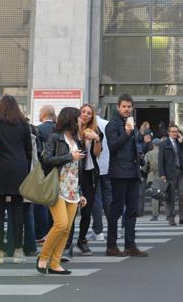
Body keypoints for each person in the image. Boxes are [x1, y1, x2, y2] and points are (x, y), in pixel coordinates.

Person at [36, 107, 86, 275]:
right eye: (79, 118)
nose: (81, 121)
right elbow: (46, 160)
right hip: (57, 186)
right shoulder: (55, 137)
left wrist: (81, 192)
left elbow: (77, 169)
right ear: (71, 119)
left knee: (67, 228)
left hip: (72, 189)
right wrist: (70, 156)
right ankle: (43, 258)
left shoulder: (76, 140)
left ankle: (55, 263)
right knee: (61, 223)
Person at [0, 95, 32, 264]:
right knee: (17, 210)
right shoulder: (23, 125)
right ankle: (17, 250)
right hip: (19, 169)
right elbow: (28, 150)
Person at [105, 94, 149, 257]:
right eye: (124, 106)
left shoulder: (132, 124)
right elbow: (112, 147)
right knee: (116, 209)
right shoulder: (113, 125)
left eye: (129, 106)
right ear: (118, 107)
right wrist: (126, 133)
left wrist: (142, 149)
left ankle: (130, 245)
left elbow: (135, 146)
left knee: (132, 210)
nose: (126, 109)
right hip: (118, 173)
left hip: (133, 172)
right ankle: (111, 245)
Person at [64, 104, 102, 257]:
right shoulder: (71, 132)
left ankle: (82, 240)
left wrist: (96, 139)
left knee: (87, 211)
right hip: (72, 174)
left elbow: (97, 154)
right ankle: (67, 242)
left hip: (89, 174)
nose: (86, 115)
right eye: (83, 112)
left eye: (89, 113)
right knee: (71, 210)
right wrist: (78, 132)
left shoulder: (95, 132)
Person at [158, 124, 183, 226]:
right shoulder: (164, 144)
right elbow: (161, 160)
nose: (175, 133)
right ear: (169, 133)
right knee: (170, 197)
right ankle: (171, 218)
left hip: (181, 172)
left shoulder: (179, 142)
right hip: (169, 174)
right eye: (173, 132)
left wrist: (182, 142)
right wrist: (162, 174)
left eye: (176, 131)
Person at [34, 105, 56, 244]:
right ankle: (52, 230)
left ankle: (42, 232)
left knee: (41, 203)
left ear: (42, 115)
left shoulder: (38, 129)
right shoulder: (58, 129)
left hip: (43, 169)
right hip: (57, 168)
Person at [90, 113, 112, 242]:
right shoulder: (107, 123)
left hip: (94, 165)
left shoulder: (90, 126)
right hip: (107, 165)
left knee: (96, 198)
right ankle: (113, 228)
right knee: (108, 197)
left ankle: (98, 231)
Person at [143, 138, 162, 221]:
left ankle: (155, 215)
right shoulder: (163, 153)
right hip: (162, 176)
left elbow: (144, 165)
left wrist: (145, 171)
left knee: (154, 196)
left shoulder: (149, 154)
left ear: (153, 145)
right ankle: (170, 214)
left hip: (152, 176)